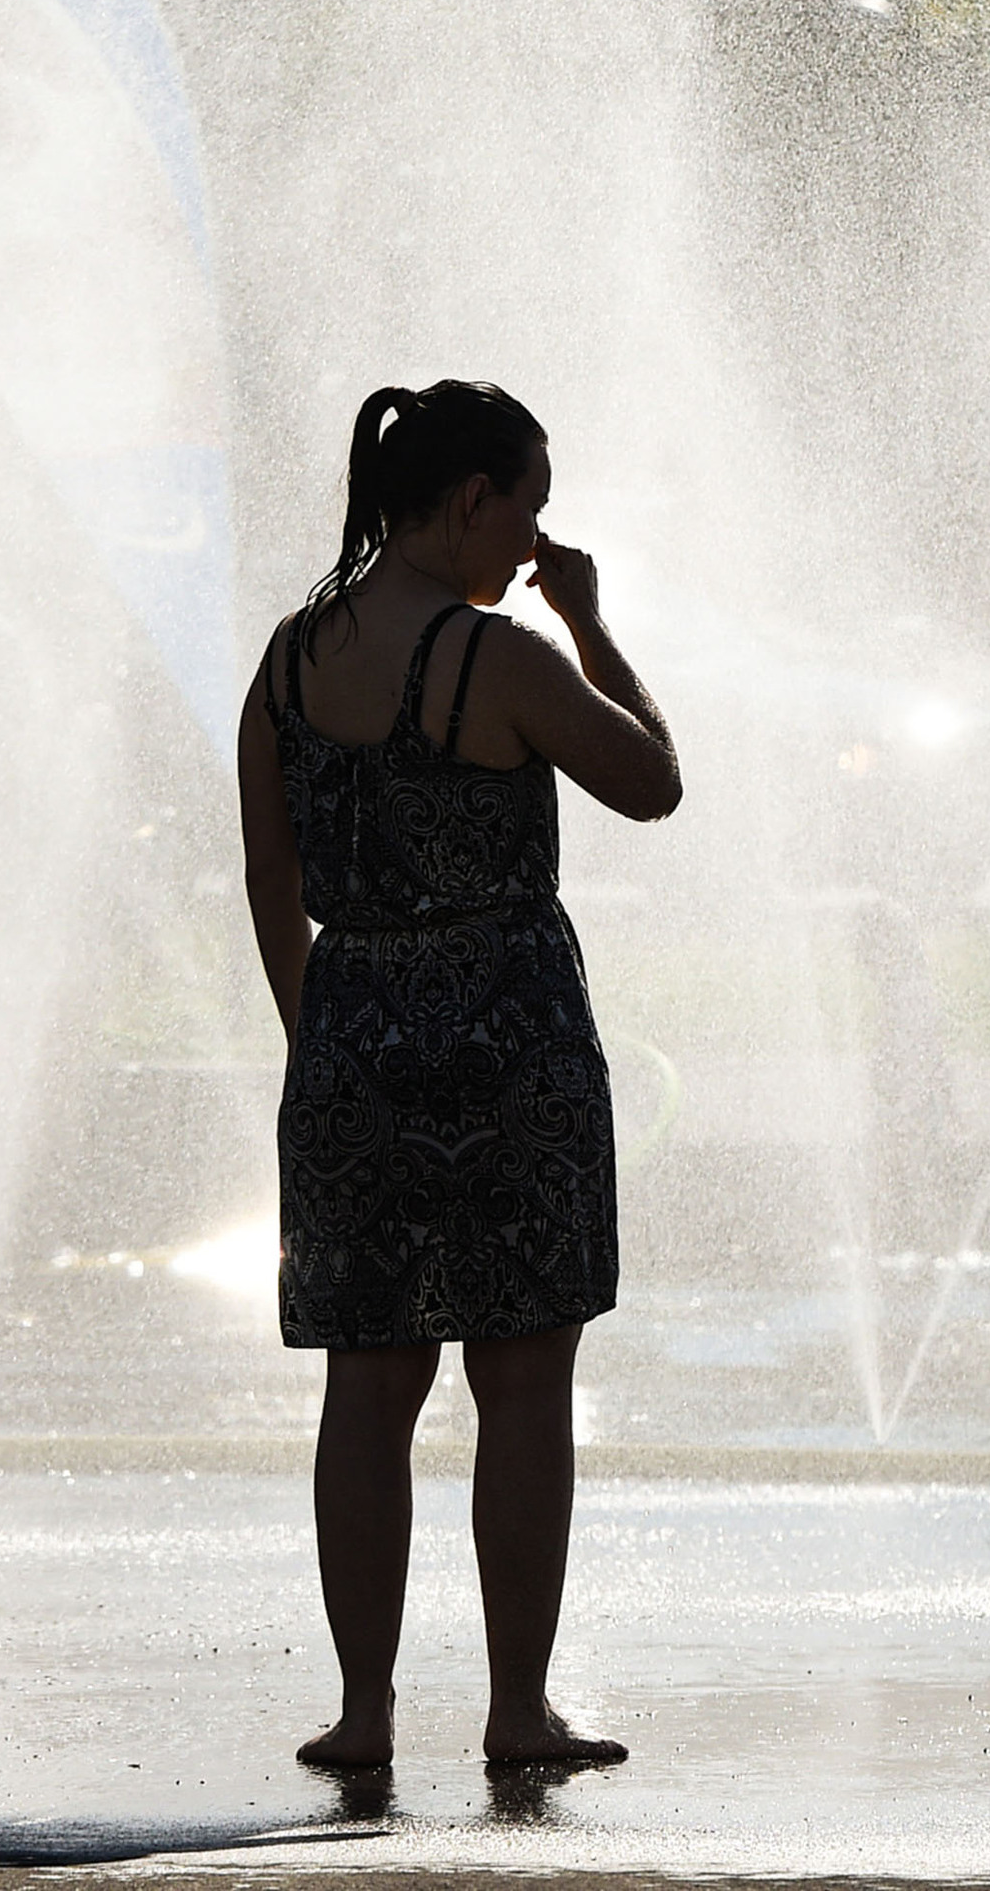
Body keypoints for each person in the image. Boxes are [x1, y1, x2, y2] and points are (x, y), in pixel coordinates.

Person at [235, 383, 680, 1772]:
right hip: (511, 1034)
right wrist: (590, 622)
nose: (531, 537)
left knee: (367, 1382)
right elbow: (653, 780)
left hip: (353, 1024)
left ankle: (364, 1712)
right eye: (527, 506)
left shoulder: (291, 658)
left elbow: (270, 870)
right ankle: (514, 1709)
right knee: (524, 1375)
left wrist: (322, 1034)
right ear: (470, 497)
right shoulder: (500, 658)